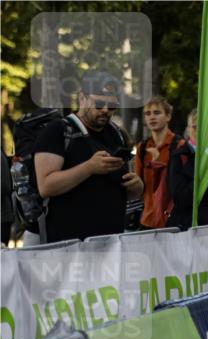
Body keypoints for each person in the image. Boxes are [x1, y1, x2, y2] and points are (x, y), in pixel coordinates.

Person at [33, 71, 142, 242]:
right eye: (99, 104)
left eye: (112, 106)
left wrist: (136, 186)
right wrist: (89, 168)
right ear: (82, 98)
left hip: (111, 241)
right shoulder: (58, 130)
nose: (106, 110)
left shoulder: (117, 134)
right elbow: (46, 186)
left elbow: (120, 188)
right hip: (69, 244)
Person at [166, 108, 208, 230]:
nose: (200, 131)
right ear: (188, 129)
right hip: (186, 229)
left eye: (205, 127)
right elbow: (181, 199)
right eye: (195, 127)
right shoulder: (179, 156)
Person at [135, 96, 181, 230]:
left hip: (172, 219)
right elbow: (139, 187)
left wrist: (159, 164)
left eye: (157, 113)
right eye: (147, 114)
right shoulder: (142, 148)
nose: (151, 117)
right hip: (148, 220)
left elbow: (183, 186)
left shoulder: (179, 145)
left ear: (168, 116)